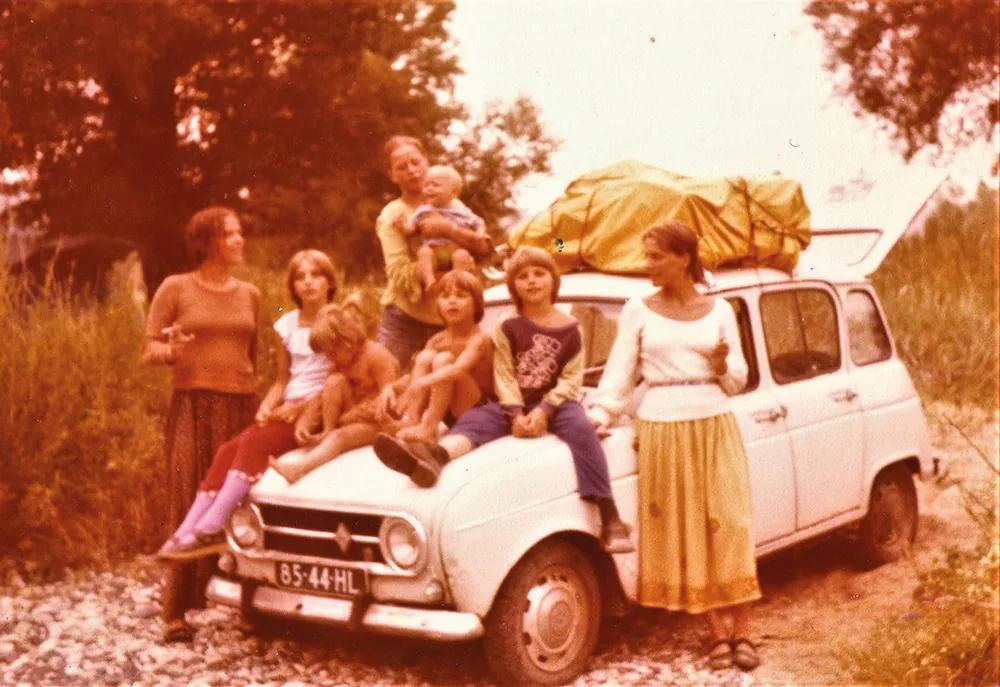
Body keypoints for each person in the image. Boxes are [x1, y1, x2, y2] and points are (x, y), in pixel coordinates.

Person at [373, 247, 635, 554]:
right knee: (476, 421)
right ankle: (434, 457)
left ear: (553, 280)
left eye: (539, 274)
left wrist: (545, 410)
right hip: (512, 401)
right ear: (514, 287)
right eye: (523, 277)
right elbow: (505, 372)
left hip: (557, 402)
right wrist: (514, 413)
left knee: (583, 430)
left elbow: (570, 379)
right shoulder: (508, 326)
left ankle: (610, 515)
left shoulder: (570, 328)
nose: (532, 282)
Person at [587, 221, 762, 671]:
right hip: (663, 424)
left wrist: (723, 365)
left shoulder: (720, 309)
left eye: (656, 256)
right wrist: (601, 416)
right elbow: (620, 375)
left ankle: (744, 632)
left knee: (732, 524)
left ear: (683, 258)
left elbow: (738, 379)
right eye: (646, 256)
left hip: (714, 418)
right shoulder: (636, 310)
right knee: (688, 531)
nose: (648, 266)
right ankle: (718, 637)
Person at [153, 249, 338, 562]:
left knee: (254, 443)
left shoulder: (337, 319)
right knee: (228, 449)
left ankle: (213, 522)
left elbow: (340, 377)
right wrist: (267, 405)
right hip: (288, 406)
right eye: (300, 277)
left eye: (316, 275)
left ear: (330, 282)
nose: (308, 283)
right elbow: (282, 379)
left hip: (322, 407)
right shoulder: (287, 324)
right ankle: (186, 530)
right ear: (292, 287)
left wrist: (302, 407)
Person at [142, 206, 259, 643]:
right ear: (206, 242)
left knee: (245, 501)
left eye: (239, 233)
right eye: (230, 234)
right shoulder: (176, 287)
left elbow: (253, 352)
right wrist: (171, 350)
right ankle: (176, 611)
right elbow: (149, 348)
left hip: (242, 405)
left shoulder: (251, 293)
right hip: (193, 404)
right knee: (189, 496)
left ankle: (249, 604)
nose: (239, 240)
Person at [375, 135, 491, 368]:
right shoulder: (393, 214)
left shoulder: (453, 205)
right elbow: (398, 274)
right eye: (402, 167)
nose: (412, 171)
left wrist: (448, 229)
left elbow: (485, 249)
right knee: (391, 388)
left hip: (451, 320)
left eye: (416, 162)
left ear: (426, 162)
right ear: (392, 175)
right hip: (405, 321)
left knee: (446, 389)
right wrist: (446, 274)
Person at [268, 304, 400, 484]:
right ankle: (327, 431)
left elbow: (390, 403)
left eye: (331, 353)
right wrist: (305, 419)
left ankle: (299, 469)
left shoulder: (377, 356)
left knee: (340, 437)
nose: (329, 360)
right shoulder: (340, 363)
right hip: (353, 415)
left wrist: (348, 418)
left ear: (347, 342)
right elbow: (323, 395)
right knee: (333, 381)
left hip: (382, 421)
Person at [373, 268, 494, 451]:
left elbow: (458, 369)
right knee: (426, 357)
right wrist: (391, 387)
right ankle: (412, 419)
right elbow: (414, 377)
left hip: (479, 410)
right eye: (445, 296)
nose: (452, 301)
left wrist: (422, 382)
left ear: (476, 304)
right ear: (438, 304)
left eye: (461, 296)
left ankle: (429, 428)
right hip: (448, 413)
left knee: (444, 360)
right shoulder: (438, 340)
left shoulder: (480, 339)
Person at [402, 164, 486, 291]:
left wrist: (480, 233)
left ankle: (458, 283)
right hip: (434, 252)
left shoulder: (461, 210)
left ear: (453, 192)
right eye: (426, 185)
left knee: (462, 255)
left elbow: (478, 222)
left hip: (454, 250)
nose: (429, 189)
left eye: (435, 185)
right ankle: (429, 279)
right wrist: (402, 226)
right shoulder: (424, 210)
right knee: (424, 253)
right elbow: (411, 227)